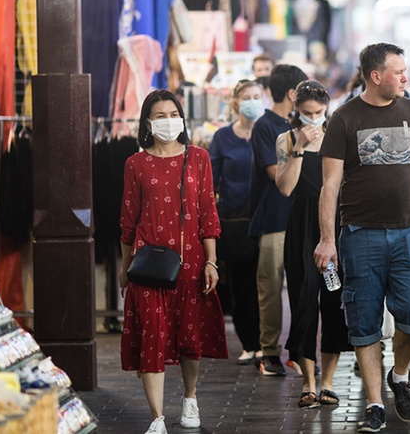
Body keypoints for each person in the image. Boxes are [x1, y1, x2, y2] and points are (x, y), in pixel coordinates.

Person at [314, 43, 410, 432]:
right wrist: (327, 239)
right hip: (360, 236)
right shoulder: (344, 118)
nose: (406, 77)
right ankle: (375, 403)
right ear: (375, 76)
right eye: (398, 71)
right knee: (363, 321)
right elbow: (329, 185)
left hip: (409, 233)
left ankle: (400, 375)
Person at [119, 90, 228, 434]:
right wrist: (125, 267)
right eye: (160, 115)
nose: (168, 120)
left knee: (188, 336)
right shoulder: (135, 164)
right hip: (148, 264)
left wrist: (211, 262)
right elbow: (127, 220)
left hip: (192, 261)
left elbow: (208, 213)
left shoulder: (198, 158)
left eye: (172, 114)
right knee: (152, 334)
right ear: (148, 123)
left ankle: (190, 397)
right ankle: (157, 417)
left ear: (182, 118)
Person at [275, 80, 351, 409]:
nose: (313, 119)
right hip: (301, 226)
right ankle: (308, 381)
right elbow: (285, 187)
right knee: (304, 301)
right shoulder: (287, 139)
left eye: (319, 113)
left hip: (334, 225)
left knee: (334, 303)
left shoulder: (338, 133)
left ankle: (329, 382)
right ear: (296, 111)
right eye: (307, 114)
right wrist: (299, 148)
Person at [249, 64, 309, 377]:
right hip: (273, 219)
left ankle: (297, 350)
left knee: (302, 285)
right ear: (291, 93)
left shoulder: (300, 124)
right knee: (270, 288)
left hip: (301, 219)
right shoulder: (265, 126)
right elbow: (277, 176)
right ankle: (269, 351)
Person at [209, 80, 265, 365]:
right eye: (247, 97)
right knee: (242, 285)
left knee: (266, 283)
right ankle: (249, 343)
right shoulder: (222, 137)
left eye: (257, 96)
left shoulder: (270, 133)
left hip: (265, 220)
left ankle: (267, 343)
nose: (252, 101)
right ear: (235, 102)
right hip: (235, 221)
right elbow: (211, 181)